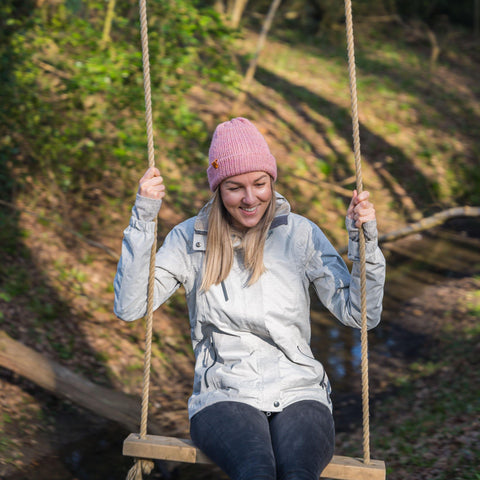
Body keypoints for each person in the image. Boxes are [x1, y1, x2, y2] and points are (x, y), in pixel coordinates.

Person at [114, 117, 385, 480]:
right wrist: (144, 218)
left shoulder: (300, 235)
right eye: (234, 187)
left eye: (259, 184)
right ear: (218, 189)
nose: (249, 198)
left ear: (271, 181)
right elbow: (130, 306)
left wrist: (363, 240)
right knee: (256, 470)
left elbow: (361, 314)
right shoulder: (188, 241)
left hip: (299, 390)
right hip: (224, 394)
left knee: (298, 473)